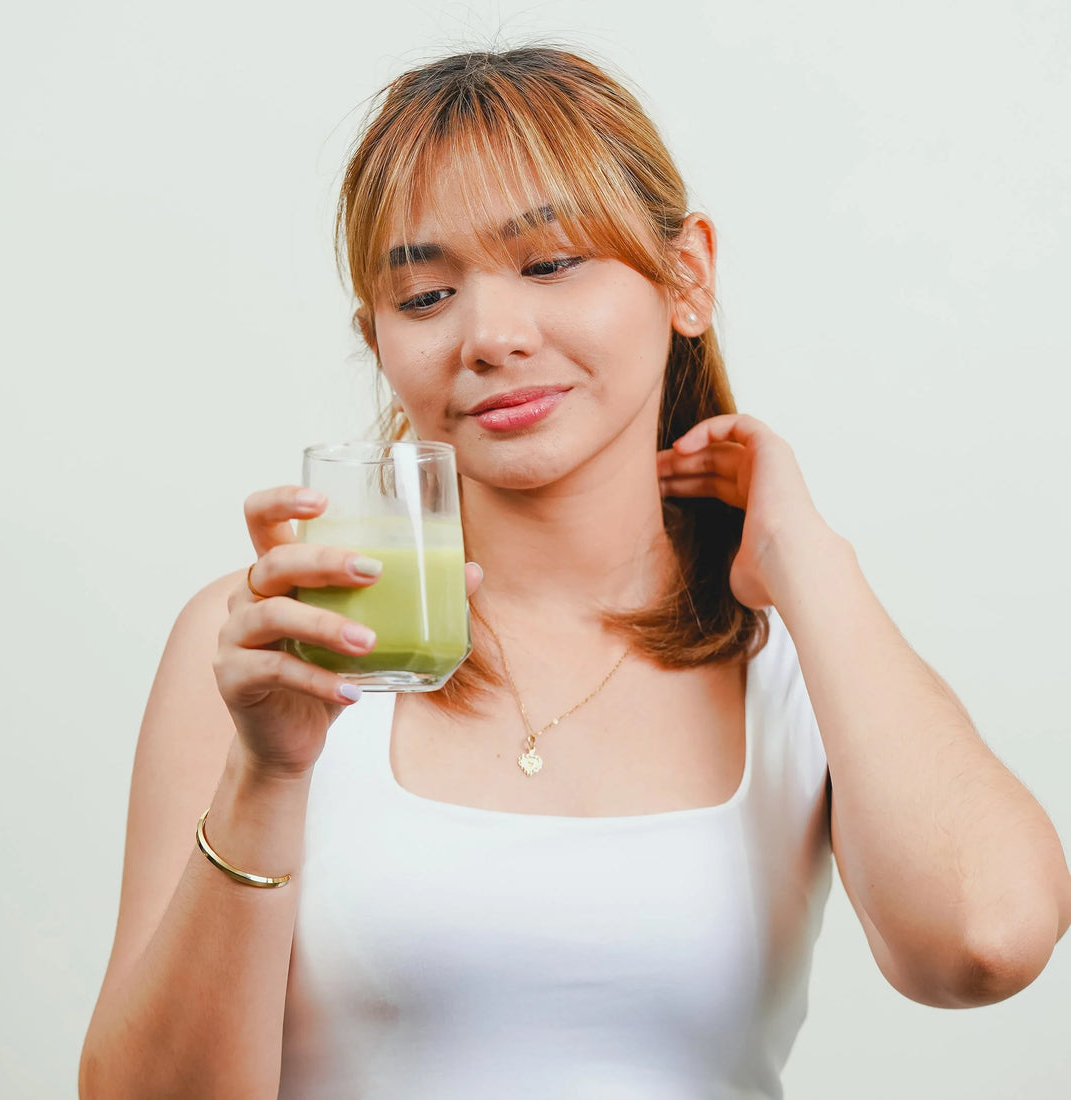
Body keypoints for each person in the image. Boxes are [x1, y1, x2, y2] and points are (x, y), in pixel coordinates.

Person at [79, 46, 1071, 1099]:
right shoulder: (271, 647)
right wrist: (266, 774)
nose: (490, 336)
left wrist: (807, 557)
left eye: (548, 264)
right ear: (378, 339)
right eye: (424, 294)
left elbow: (982, 943)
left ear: (684, 274)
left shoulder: (798, 651)